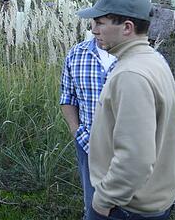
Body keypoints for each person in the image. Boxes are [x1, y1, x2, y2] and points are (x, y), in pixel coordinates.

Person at [77, 0, 175, 220]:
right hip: (150, 201)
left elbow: (135, 157)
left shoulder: (131, 74)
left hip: (127, 207)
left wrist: (103, 200)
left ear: (127, 27)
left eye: (100, 23)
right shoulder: (152, 60)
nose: (93, 30)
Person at [60, 36, 116, 218]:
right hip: (87, 144)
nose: (94, 28)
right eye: (94, 21)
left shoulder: (138, 58)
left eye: (101, 21)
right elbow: (67, 96)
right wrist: (75, 130)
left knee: (128, 209)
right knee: (93, 209)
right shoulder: (77, 53)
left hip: (129, 151)